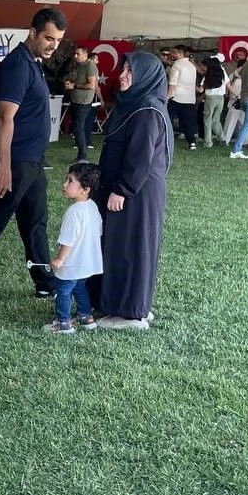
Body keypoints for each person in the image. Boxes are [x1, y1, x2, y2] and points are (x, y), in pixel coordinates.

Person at [0, 8, 67, 298]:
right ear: (32, 33)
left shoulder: (34, 62)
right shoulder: (17, 65)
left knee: (36, 222)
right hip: (15, 162)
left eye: (58, 40)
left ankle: (44, 282)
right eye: (49, 38)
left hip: (32, 163)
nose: (53, 45)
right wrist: (4, 166)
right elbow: (4, 118)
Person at [93, 52, 171, 331]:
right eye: (124, 69)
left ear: (146, 77)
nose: (123, 75)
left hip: (135, 193)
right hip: (133, 190)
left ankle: (129, 313)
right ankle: (128, 304)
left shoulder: (146, 110)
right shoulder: (137, 105)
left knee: (131, 247)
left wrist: (122, 190)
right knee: (125, 245)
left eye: (130, 71)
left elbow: (140, 157)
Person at [44, 162, 102, 335]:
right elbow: (98, 231)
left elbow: (68, 240)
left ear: (85, 189)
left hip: (71, 263)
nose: (64, 184)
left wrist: (59, 259)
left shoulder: (73, 212)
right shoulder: (92, 206)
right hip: (86, 262)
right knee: (79, 287)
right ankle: (86, 317)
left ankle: (63, 323)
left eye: (70, 181)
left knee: (63, 290)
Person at [65, 46, 99, 164]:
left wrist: (74, 85)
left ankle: (83, 156)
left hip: (83, 103)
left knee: (79, 128)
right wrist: (71, 84)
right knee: (77, 128)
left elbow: (92, 85)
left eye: (78, 54)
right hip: (76, 101)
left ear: (85, 54)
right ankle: (81, 155)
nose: (75, 56)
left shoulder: (90, 65)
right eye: (75, 54)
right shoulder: (81, 65)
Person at [166, 45, 198, 150]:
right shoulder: (192, 66)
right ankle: (192, 142)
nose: (172, 55)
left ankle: (166, 138)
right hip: (189, 98)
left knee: (168, 118)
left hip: (176, 97)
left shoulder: (176, 65)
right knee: (188, 122)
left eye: (174, 53)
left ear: (180, 54)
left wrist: (167, 96)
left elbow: (172, 83)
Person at [199, 53, 228, 149]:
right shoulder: (222, 74)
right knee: (216, 120)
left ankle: (208, 142)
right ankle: (222, 138)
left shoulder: (208, 75)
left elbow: (200, 90)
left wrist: (192, 86)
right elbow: (228, 85)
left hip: (210, 99)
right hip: (221, 99)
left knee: (207, 120)